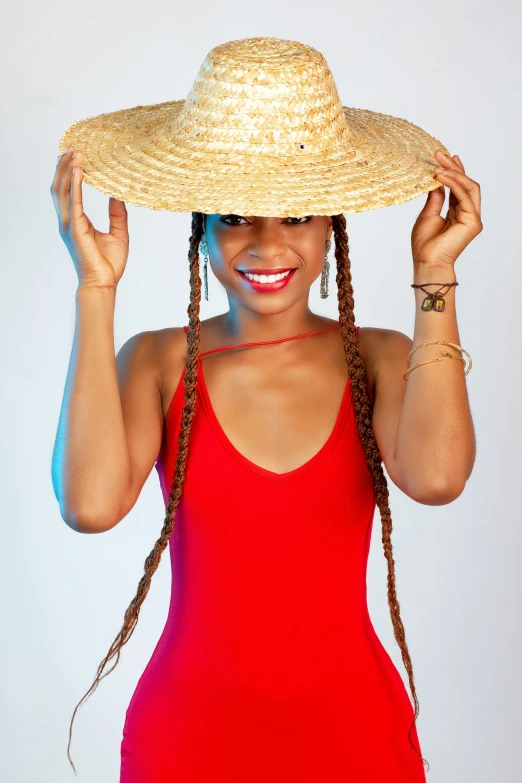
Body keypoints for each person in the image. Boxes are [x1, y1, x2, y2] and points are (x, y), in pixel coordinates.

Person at [51, 37, 480, 782]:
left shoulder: (377, 355)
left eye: (298, 217)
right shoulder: (159, 361)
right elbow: (89, 505)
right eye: (236, 218)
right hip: (188, 738)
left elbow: (439, 476)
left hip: (354, 738)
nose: (267, 244)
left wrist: (435, 277)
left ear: (331, 228)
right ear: (203, 232)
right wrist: (96, 292)